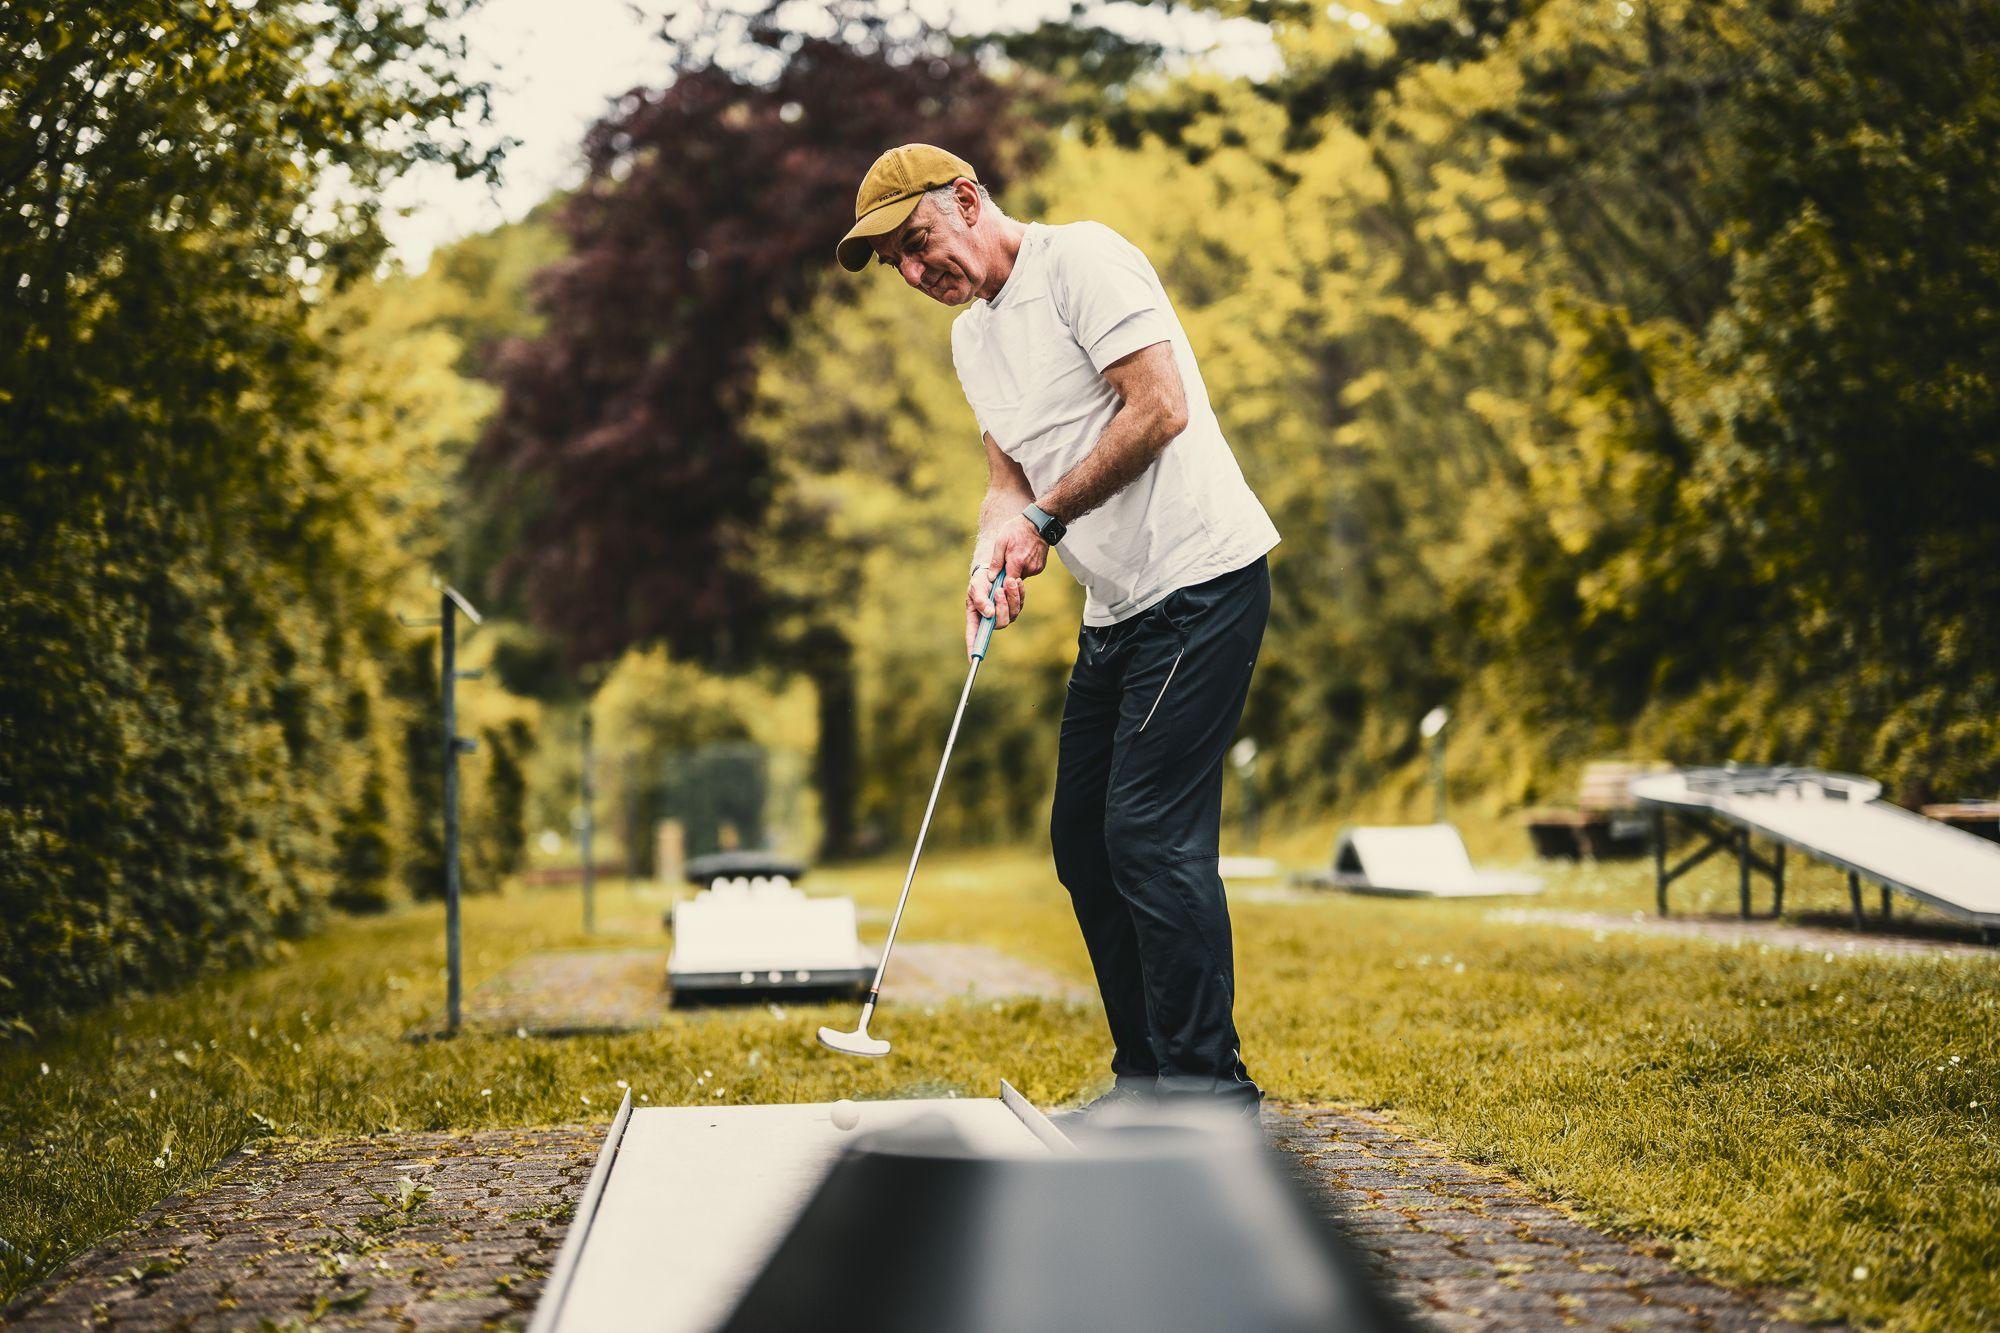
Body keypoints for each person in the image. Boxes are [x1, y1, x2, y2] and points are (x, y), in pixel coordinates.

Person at [836, 144, 1279, 1121]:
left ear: (966, 199)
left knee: (1147, 836)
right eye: (898, 266)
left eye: (918, 244)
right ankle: (1145, 1083)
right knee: (1084, 842)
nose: (916, 273)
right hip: (1118, 612)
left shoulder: (1081, 262)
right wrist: (993, 545)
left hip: (1201, 582)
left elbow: (1156, 408)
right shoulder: (970, 341)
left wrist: (1046, 523)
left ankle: (1208, 1097)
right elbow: (1008, 478)